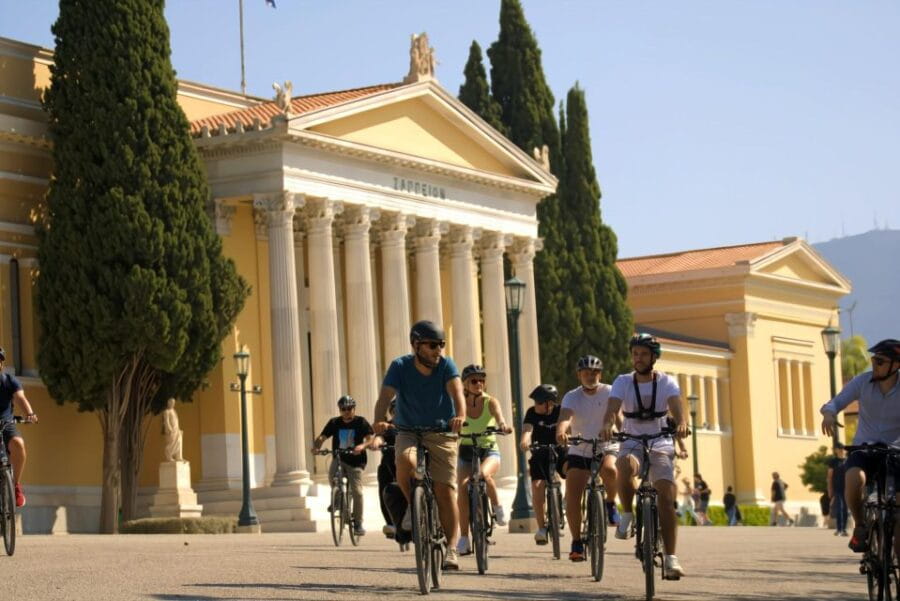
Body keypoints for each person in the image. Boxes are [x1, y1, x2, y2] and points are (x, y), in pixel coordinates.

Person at [373, 320, 466, 571]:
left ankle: (452, 549)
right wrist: (378, 420)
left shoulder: (446, 365)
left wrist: (460, 415)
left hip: (441, 432)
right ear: (416, 345)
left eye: (441, 345)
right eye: (433, 345)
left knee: (445, 491)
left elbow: (457, 392)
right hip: (408, 431)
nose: (439, 350)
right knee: (404, 462)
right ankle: (413, 506)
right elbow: (385, 396)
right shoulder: (400, 366)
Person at [601, 333, 689, 578]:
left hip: (660, 441)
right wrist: (608, 425)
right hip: (631, 439)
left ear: (653, 357)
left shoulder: (666, 383)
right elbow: (612, 408)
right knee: (624, 464)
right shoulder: (622, 381)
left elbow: (677, 408)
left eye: (643, 354)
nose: (638, 358)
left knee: (666, 497)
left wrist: (681, 423)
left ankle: (671, 558)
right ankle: (627, 514)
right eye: (635, 354)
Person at [821, 338, 900, 552]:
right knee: (854, 478)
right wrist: (829, 414)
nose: (874, 364)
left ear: (896, 365)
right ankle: (860, 525)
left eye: (880, 361)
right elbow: (836, 402)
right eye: (873, 360)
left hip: (895, 453)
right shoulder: (862, 382)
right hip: (864, 449)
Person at [556, 355, 621, 562]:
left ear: (599, 374)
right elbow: (565, 418)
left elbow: (618, 417)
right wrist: (561, 432)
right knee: (572, 494)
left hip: (606, 445)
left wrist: (622, 432)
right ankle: (576, 541)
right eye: (586, 373)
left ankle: (610, 503)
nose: (590, 376)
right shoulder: (572, 396)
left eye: (594, 373)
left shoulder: (610, 391)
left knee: (610, 470)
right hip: (580, 447)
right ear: (579, 375)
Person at [456, 364, 512, 556]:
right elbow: (451, 419)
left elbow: (500, 417)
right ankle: (464, 538)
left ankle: (497, 509)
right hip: (466, 450)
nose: (478, 383)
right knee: (462, 488)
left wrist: (503, 425)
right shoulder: (459, 402)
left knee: (483, 475)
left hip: (488, 450)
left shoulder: (490, 402)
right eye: (474, 380)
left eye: (481, 380)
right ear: (465, 384)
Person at [311, 395, 373, 537]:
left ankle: (358, 523)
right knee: (332, 476)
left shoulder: (361, 422)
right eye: (343, 409)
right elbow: (323, 436)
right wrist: (316, 446)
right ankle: (337, 499)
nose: (346, 411)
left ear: (354, 409)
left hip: (356, 462)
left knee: (357, 492)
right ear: (339, 410)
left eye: (349, 408)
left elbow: (370, 438)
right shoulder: (334, 422)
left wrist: (362, 446)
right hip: (339, 458)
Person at [520, 383, 565, 545]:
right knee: (538, 486)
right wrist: (524, 441)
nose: (536, 406)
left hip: (560, 450)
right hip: (540, 452)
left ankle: (567, 500)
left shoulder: (561, 411)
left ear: (550, 403)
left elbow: (570, 426)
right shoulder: (532, 413)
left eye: (539, 402)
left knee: (573, 471)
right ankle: (541, 528)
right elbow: (527, 429)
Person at [0, 348, 37, 507]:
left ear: (1, 364)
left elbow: (20, 397)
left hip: (6, 424)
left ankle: (15, 485)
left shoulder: (9, 381)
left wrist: (30, 413)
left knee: (18, 444)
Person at [371, 399, 398, 538]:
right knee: (384, 485)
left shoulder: (412, 425)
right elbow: (380, 437)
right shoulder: (388, 427)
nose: (397, 414)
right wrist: (377, 442)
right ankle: (391, 523)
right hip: (390, 465)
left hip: (410, 464)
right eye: (394, 411)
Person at [827, 445, 848, 536]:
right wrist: (830, 489)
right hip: (837, 488)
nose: (842, 451)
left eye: (843, 449)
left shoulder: (848, 460)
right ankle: (839, 529)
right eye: (840, 449)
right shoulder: (833, 462)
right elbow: (830, 477)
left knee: (846, 509)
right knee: (840, 508)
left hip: (848, 488)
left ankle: (844, 529)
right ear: (836, 450)